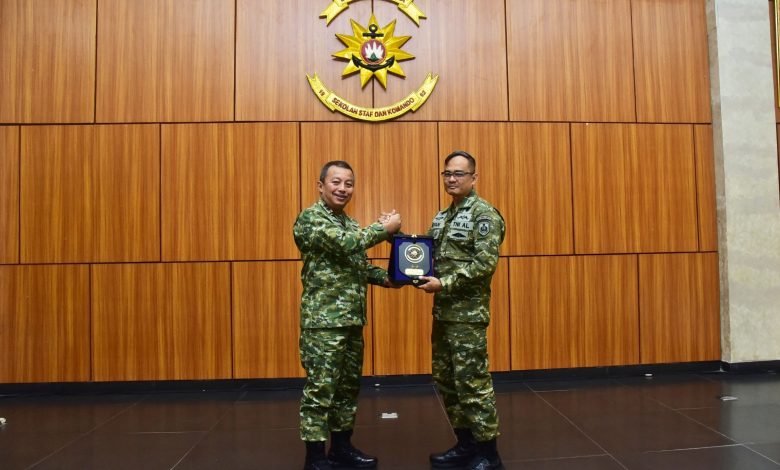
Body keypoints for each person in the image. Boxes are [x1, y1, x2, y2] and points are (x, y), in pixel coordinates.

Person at [293, 160, 401, 470]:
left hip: (352, 320)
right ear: (321, 186)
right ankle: (315, 457)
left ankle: (341, 448)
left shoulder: (351, 223)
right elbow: (346, 245)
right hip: (324, 324)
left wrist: (388, 278)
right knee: (321, 390)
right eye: (336, 182)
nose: (343, 189)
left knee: (346, 389)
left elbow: (359, 265)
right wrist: (383, 229)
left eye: (349, 184)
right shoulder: (311, 218)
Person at [417, 150, 506, 470]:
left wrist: (445, 283)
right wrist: (398, 244)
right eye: (447, 174)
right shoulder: (442, 217)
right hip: (443, 313)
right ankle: (466, 444)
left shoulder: (484, 215)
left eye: (459, 174)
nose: (452, 179)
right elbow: (425, 254)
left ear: (474, 178)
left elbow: (484, 264)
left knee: (472, 382)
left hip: (467, 316)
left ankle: (489, 453)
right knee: (447, 380)